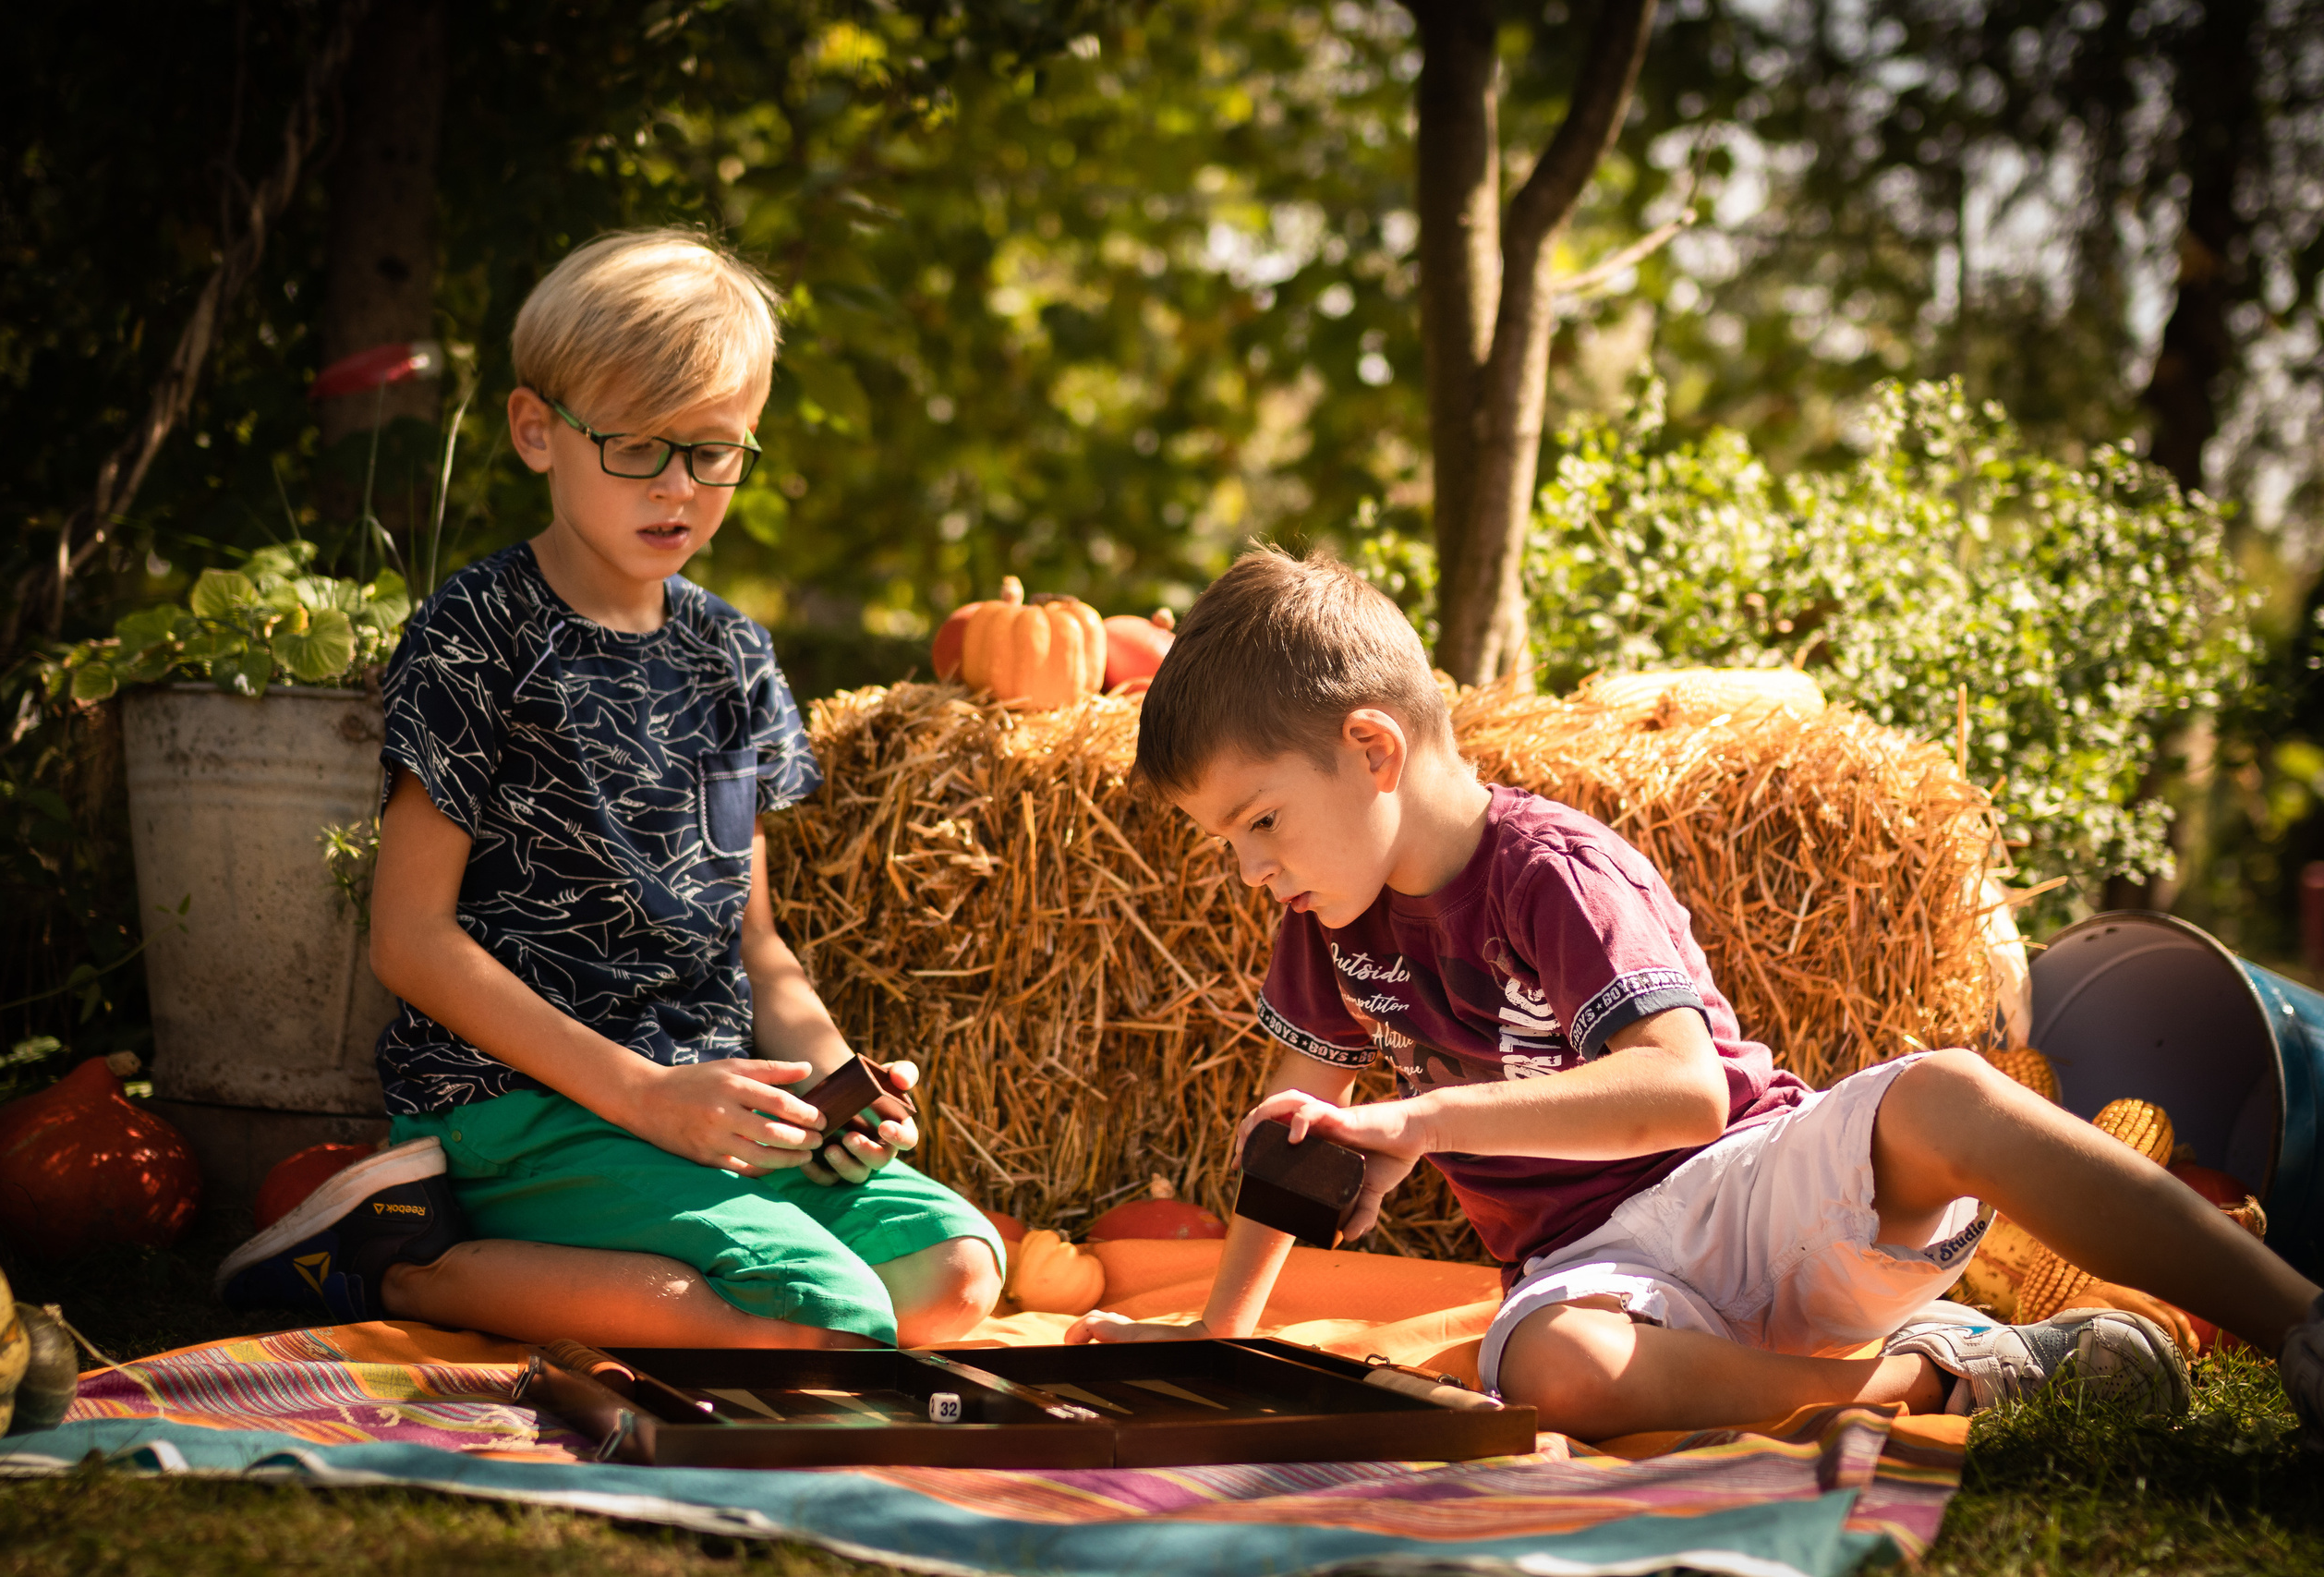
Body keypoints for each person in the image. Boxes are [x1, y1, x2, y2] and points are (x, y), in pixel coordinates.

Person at [1069, 547, 2324, 1442]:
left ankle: (2301, 1319)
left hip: (1748, 1179)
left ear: (1374, 748)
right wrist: (1220, 1337)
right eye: (1229, 839)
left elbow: (1679, 1091)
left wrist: (1430, 1123)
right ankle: (1942, 1383)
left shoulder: (1550, 869)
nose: (1251, 864)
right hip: (1588, 1265)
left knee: (1946, 1093)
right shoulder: (1328, 924)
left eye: (1261, 819)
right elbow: (1290, 1149)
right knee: (1555, 1369)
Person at [218, 229, 1001, 1350]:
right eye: (639, 448)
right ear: (537, 431)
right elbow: (410, 941)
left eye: (716, 452)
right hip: (526, 1110)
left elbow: (755, 946)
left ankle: (635, 1270)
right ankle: (390, 1263)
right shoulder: (475, 635)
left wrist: (834, 1083)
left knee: (960, 1276)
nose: (680, 488)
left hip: (704, 1111)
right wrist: (640, 1097)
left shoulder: (732, 657)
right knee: (819, 1321)